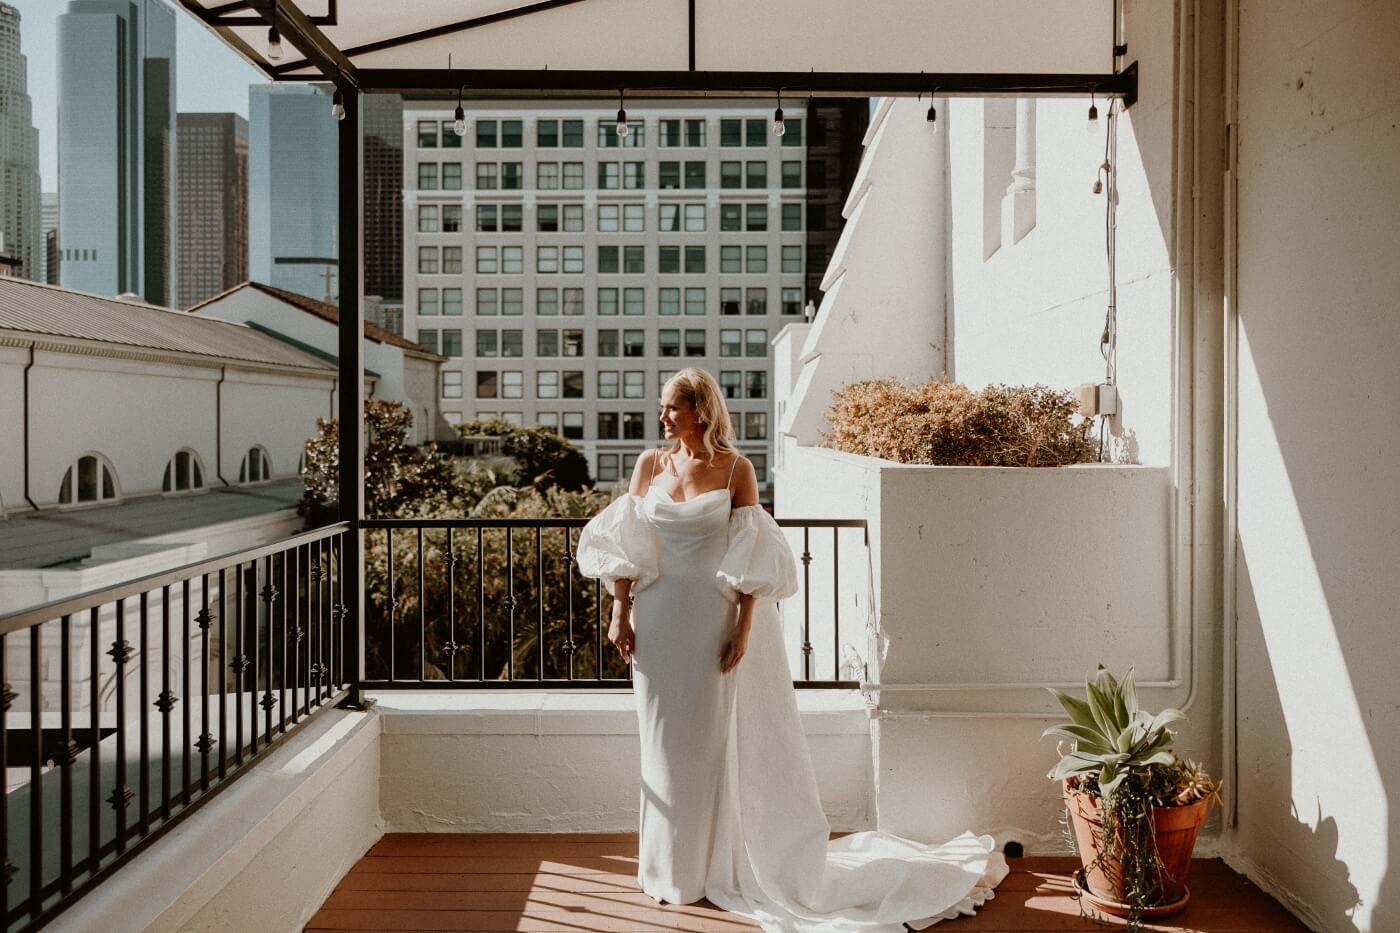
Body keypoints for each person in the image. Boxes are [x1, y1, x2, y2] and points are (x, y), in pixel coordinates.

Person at [577, 368, 1007, 931]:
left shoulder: (736, 469)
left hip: (712, 621)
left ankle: (716, 866)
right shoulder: (650, 465)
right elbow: (626, 545)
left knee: (708, 746)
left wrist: (744, 628)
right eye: (663, 409)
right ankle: (670, 871)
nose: (663, 418)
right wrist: (619, 611)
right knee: (663, 744)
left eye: (671, 409)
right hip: (657, 625)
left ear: (700, 412)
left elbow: (753, 559)